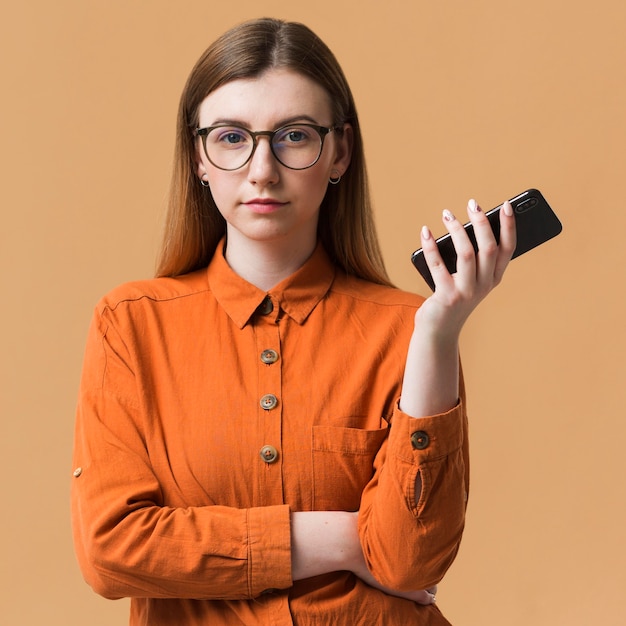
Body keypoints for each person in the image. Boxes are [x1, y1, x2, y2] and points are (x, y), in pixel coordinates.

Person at [71, 17, 516, 626]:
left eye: (295, 136)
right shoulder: (131, 325)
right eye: (231, 138)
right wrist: (346, 540)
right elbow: (110, 551)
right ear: (197, 158)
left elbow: (412, 562)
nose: (261, 170)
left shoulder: (409, 329)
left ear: (339, 152)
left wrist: (438, 331)